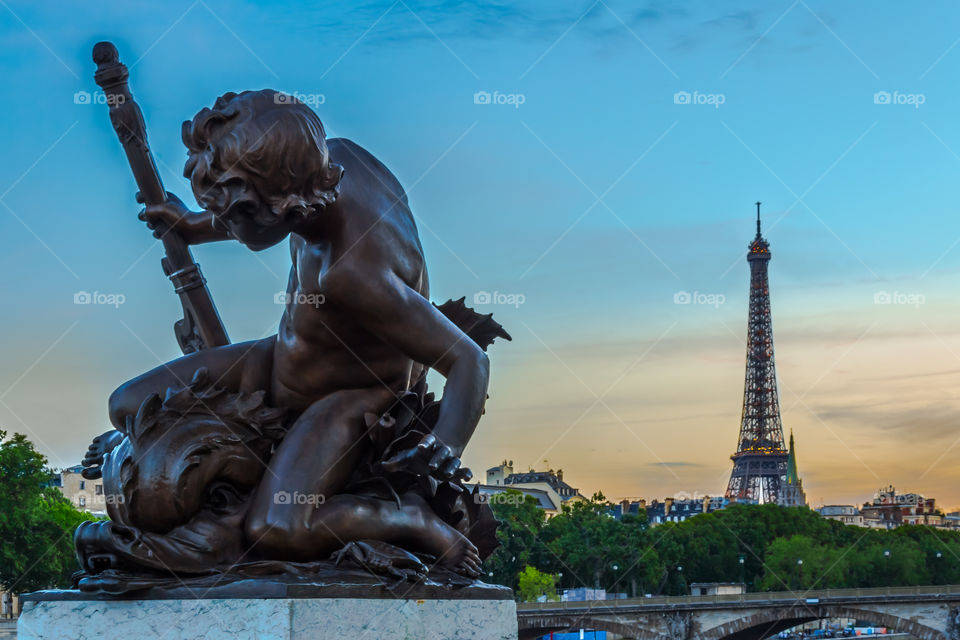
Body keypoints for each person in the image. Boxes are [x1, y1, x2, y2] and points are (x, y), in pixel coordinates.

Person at [81, 90, 488, 576]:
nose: (225, 224)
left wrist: (446, 444)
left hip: (348, 396)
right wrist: (193, 224)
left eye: (232, 216)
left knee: (279, 526)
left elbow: (468, 359)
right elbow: (263, 205)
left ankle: (409, 518)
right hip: (277, 357)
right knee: (127, 404)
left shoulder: (352, 273)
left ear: (287, 208)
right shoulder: (332, 160)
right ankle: (190, 445)